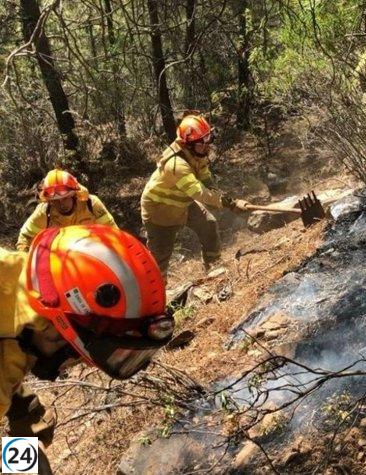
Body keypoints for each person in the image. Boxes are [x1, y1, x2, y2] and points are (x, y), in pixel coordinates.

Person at [1, 225, 174, 471]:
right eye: (72, 352)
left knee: (28, 423)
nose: (69, 364)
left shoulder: (24, 283)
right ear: (54, 326)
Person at [140, 112, 250, 273]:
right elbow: (199, 193)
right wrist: (230, 203)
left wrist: (217, 193)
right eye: (202, 143)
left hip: (182, 203)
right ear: (188, 143)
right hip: (160, 213)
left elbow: (205, 178)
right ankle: (155, 294)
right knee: (160, 260)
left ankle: (213, 266)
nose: (207, 146)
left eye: (208, 140)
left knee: (209, 224)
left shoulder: (197, 154)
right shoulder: (176, 165)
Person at [16, 169, 117, 252]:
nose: (61, 204)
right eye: (56, 201)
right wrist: (24, 258)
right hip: (59, 263)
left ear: (73, 195)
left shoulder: (91, 204)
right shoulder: (44, 212)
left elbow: (113, 233)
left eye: (65, 198)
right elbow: (25, 237)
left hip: (93, 255)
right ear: (50, 201)